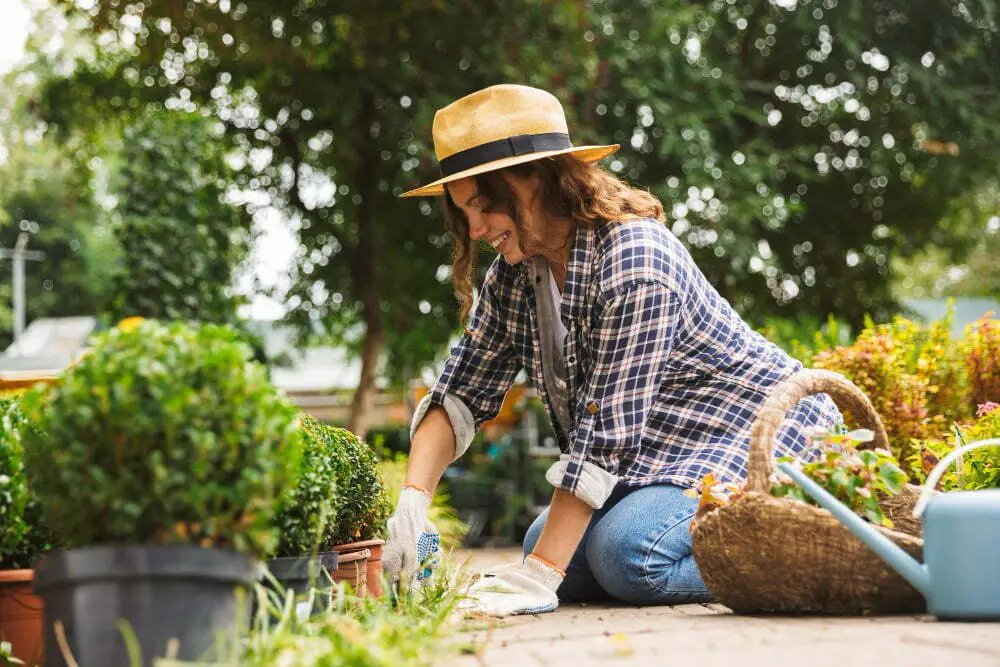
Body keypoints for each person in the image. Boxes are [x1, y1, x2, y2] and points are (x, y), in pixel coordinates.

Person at [383, 84, 841, 616]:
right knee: (546, 546)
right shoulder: (514, 278)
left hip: (757, 436)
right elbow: (461, 392)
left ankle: (805, 554)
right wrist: (412, 504)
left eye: (484, 205)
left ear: (537, 179)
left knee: (628, 554)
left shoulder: (635, 261)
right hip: (659, 460)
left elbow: (606, 435)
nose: (476, 229)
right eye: (464, 213)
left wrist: (538, 580)